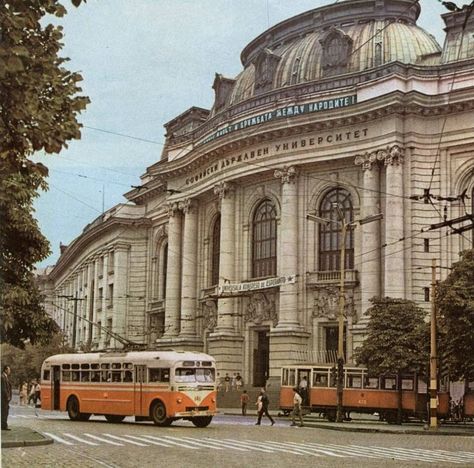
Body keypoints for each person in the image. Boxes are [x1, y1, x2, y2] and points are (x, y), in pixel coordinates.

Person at [1, 365, 12, 430]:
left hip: (5, 399)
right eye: (9, 370)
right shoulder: (2, 377)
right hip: (4, 399)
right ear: (5, 370)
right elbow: (4, 389)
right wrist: (7, 396)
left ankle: (4, 425)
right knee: (4, 412)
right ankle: (3, 426)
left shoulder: (5, 377)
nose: (9, 371)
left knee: (5, 412)